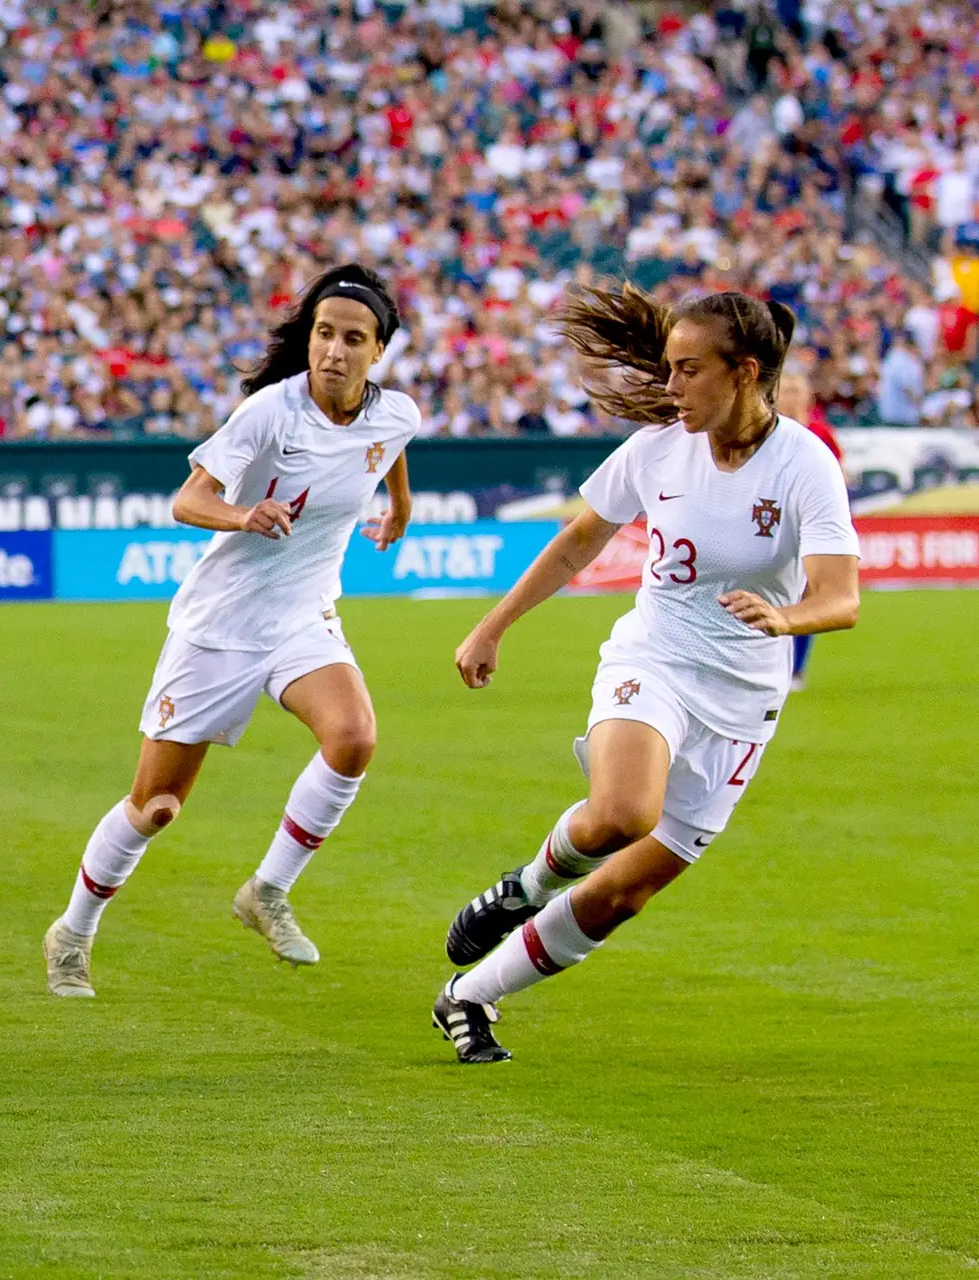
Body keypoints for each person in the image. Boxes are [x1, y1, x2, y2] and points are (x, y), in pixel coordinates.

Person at [434, 285, 861, 1064]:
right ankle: (524, 887)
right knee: (624, 813)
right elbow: (576, 542)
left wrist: (786, 617)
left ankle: (469, 997)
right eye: (667, 369)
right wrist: (492, 627)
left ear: (745, 372)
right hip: (654, 659)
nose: (669, 390)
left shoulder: (806, 464)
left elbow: (840, 597)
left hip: (741, 704)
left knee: (623, 891)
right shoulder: (659, 447)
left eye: (688, 371)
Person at [42, 265, 416, 997]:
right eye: (323, 334)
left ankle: (267, 891)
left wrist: (398, 505)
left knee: (354, 738)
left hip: (304, 616)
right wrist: (245, 514)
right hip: (220, 626)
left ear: (378, 352)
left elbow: (390, 448)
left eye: (352, 339)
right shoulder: (271, 413)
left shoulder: (395, 413)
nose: (334, 351)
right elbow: (189, 499)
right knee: (156, 806)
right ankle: (73, 931)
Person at [774, 366, 844, 690]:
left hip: (810, 524)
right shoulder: (767, 433)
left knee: (807, 594)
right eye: (784, 391)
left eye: (794, 391)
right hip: (774, 523)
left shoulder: (821, 434)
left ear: (807, 396)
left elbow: (836, 481)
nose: (789, 397)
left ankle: (795, 669)